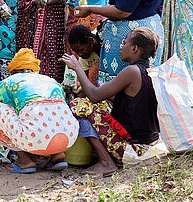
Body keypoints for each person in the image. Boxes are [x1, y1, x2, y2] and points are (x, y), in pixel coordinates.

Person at [61, 27, 161, 175]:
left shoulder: (131, 72)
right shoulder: (151, 70)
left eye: (124, 43)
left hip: (132, 150)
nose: (121, 47)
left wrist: (77, 68)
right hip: (149, 144)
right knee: (100, 103)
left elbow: (94, 95)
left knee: (78, 105)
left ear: (134, 48)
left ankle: (106, 162)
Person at [0, 48, 79, 173]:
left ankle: (24, 160)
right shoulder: (52, 81)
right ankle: (58, 155)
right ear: (34, 70)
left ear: (13, 71)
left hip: (35, 138)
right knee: (53, 113)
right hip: (68, 137)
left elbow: (7, 108)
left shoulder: (8, 82)